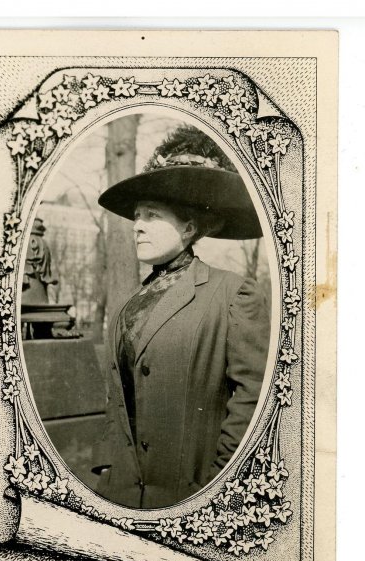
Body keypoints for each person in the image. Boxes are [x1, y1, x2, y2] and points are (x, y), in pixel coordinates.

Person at [94, 125, 270, 509]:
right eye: (137, 216)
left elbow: (255, 401)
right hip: (123, 501)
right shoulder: (128, 306)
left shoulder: (232, 294)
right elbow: (116, 405)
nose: (137, 225)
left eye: (152, 216)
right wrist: (107, 475)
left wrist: (216, 488)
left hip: (191, 498)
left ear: (189, 228)